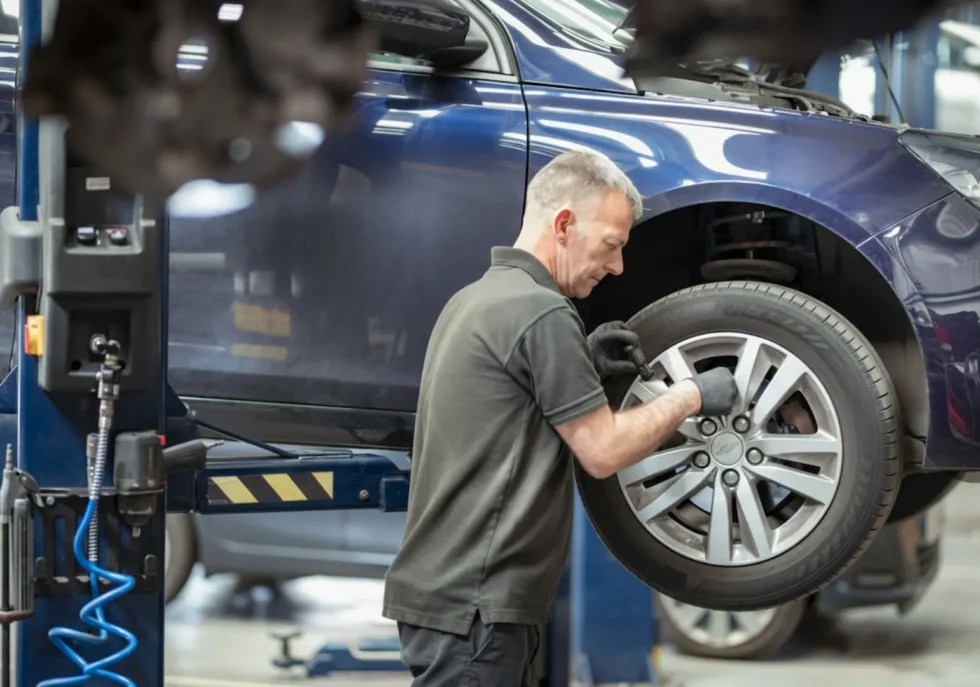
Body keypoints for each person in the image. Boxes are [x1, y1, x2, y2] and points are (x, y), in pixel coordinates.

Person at [382, 150, 738, 685]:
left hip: (452, 598)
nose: (617, 266)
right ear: (565, 224)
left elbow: (503, 409)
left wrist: (582, 361)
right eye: (612, 245)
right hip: (478, 607)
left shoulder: (474, 300)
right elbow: (603, 451)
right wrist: (691, 394)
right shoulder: (541, 313)